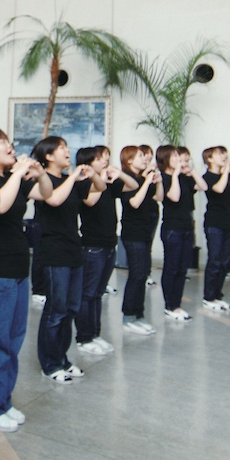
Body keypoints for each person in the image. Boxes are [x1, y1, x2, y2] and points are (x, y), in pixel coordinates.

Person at [0, 128, 51, 431]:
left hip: (17, 269)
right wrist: (17, 173)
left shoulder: (13, 180)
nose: (11, 146)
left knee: (13, 340)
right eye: (3, 143)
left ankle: (2, 400)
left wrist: (39, 173)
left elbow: (48, 193)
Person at [31, 136, 102, 382]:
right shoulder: (45, 181)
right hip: (54, 251)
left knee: (71, 308)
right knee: (56, 309)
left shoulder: (68, 180)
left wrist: (92, 174)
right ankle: (49, 364)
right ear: (49, 156)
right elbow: (54, 199)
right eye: (62, 148)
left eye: (66, 147)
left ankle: (62, 359)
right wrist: (73, 176)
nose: (67, 151)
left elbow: (100, 188)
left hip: (74, 250)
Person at [75, 146, 135, 353]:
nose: (105, 162)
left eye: (107, 159)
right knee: (88, 294)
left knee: (98, 294)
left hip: (109, 243)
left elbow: (133, 185)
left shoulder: (109, 183)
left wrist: (120, 175)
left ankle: (95, 334)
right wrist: (98, 177)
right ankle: (84, 337)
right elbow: (91, 201)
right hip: (93, 245)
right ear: (88, 162)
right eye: (101, 159)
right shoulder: (83, 184)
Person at [118, 144, 163, 333]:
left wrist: (158, 181)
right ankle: (128, 316)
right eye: (140, 156)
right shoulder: (126, 180)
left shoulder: (143, 177)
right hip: (133, 233)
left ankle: (139, 314)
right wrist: (146, 181)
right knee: (136, 274)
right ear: (129, 160)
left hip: (145, 231)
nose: (145, 159)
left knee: (143, 274)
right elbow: (134, 203)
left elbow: (158, 198)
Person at [159, 145, 204, 320]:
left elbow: (203, 186)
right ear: (166, 159)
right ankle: (170, 305)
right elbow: (174, 197)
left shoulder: (185, 177)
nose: (179, 160)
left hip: (186, 227)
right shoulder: (163, 178)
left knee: (182, 268)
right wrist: (176, 175)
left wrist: (191, 172)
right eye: (174, 157)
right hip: (172, 228)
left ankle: (176, 304)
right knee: (172, 267)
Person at [200, 145, 230, 311]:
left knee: (225, 261)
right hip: (214, 223)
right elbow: (218, 189)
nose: (224, 156)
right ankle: (208, 296)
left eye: (225, 153)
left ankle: (218, 295)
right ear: (209, 159)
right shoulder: (207, 176)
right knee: (215, 260)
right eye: (220, 154)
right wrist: (226, 171)